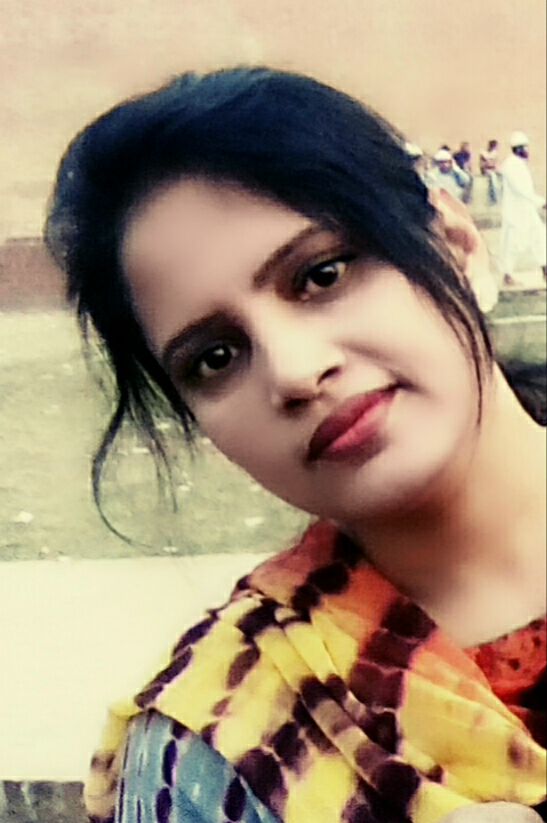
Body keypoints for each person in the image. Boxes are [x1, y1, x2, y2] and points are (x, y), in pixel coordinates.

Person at [45, 69, 546, 823]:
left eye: (321, 274)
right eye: (215, 357)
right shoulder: (216, 749)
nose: (293, 371)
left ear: (455, 243)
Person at [500, 131, 546, 287]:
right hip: (516, 213)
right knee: (514, 245)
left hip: (527, 210)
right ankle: (507, 274)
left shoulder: (518, 164)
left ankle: (545, 269)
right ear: (519, 149)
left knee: (539, 237)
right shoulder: (511, 165)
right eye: (525, 148)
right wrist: (541, 202)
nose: (527, 151)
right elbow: (521, 189)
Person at [479, 140, 501, 206]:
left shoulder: (495, 153)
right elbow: (482, 164)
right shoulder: (483, 153)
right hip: (486, 170)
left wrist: (496, 169)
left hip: (492, 169)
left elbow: (495, 164)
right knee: (492, 177)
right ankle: (494, 198)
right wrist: (486, 166)